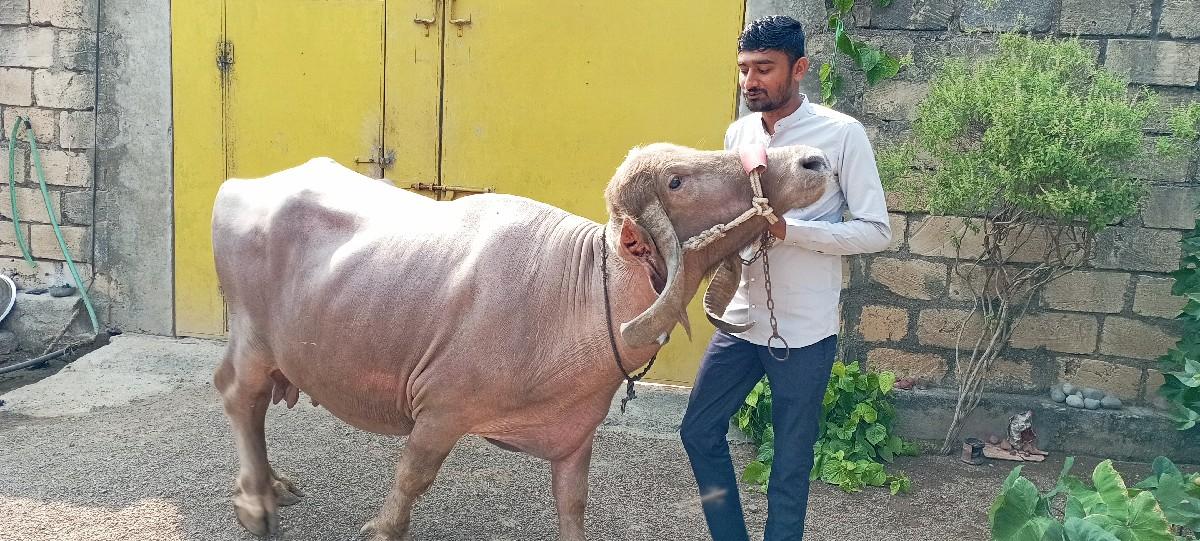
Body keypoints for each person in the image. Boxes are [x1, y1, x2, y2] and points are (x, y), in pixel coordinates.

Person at [679, 15, 892, 541]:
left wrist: (788, 230)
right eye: (744, 69)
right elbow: (726, 215)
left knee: (790, 464)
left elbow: (875, 232)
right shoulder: (739, 132)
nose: (750, 81)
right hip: (741, 320)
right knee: (699, 430)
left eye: (764, 69)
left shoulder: (842, 134)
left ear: (799, 68)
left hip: (805, 329)